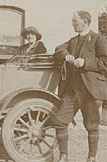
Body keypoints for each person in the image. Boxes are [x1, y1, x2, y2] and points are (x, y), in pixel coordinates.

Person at [52, 11, 107, 162]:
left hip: (91, 91)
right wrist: (66, 56)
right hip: (72, 91)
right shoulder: (73, 40)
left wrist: (85, 63)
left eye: (75, 21)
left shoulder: (98, 39)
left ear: (85, 22)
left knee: (92, 126)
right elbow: (58, 49)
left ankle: (92, 158)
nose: (72, 23)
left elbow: (105, 63)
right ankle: (64, 156)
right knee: (60, 121)